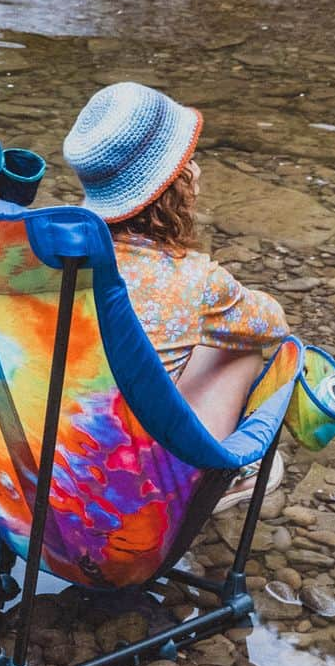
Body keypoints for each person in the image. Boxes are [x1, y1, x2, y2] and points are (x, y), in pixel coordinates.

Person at [63, 80, 287, 505]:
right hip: (134, 492)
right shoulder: (193, 280)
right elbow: (273, 325)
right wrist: (211, 312)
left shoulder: (44, 254)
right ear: (168, 186)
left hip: (44, 468)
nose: (197, 170)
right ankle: (220, 477)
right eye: (187, 161)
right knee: (240, 348)